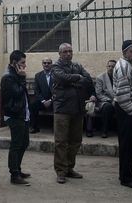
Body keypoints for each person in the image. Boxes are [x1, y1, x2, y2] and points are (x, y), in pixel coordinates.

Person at [52, 43, 95, 184]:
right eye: (65, 52)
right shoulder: (56, 67)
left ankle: (70, 168)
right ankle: (61, 171)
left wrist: (73, 79)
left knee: (76, 141)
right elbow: (62, 78)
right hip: (62, 109)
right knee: (61, 142)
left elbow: (88, 80)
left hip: (78, 109)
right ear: (60, 53)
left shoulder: (77, 65)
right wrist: (77, 78)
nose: (68, 54)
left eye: (70, 51)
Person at [113, 40, 132, 189]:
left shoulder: (127, 65)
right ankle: (126, 178)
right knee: (127, 145)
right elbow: (122, 95)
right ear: (125, 53)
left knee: (129, 144)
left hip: (127, 110)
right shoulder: (125, 67)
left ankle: (127, 172)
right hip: (126, 111)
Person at [1, 50, 31, 186]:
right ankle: (14, 174)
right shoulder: (8, 77)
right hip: (14, 115)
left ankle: (17, 169)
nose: (24, 65)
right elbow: (17, 93)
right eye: (22, 63)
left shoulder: (16, 75)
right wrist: (23, 78)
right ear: (14, 63)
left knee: (24, 142)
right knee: (16, 144)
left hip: (23, 114)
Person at [86, 60, 116, 138]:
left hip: (117, 99)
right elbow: (99, 94)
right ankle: (104, 131)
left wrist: (116, 100)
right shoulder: (101, 77)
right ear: (106, 67)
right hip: (104, 101)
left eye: (113, 66)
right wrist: (110, 100)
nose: (111, 68)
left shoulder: (119, 77)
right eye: (109, 66)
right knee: (107, 107)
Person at [29, 58, 53, 133]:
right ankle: (34, 127)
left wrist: (50, 100)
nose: (46, 64)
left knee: (61, 106)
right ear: (42, 64)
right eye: (45, 63)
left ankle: (56, 128)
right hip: (42, 101)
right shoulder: (38, 75)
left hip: (54, 101)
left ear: (51, 64)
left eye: (48, 63)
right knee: (32, 106)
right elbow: (37, 91)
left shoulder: (56, 75)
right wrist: (43, 101)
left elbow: (58, 91)